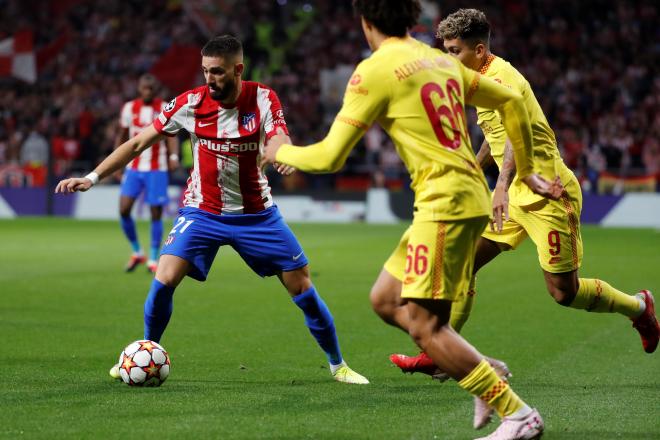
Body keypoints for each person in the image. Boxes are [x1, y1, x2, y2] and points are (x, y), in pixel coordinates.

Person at [263, 1, 564, 438]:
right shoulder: (439, 59)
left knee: (425, 326)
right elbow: (511, 99)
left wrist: (279, 152)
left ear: (366, 23)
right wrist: (530, 167)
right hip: (452, 198)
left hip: (447, 202)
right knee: (385, 299)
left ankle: (516, 414)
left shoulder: (375, 70)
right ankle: (474, 366)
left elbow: (329, 157)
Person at [383, 6, 660, 430]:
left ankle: (639, 307)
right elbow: (492, 135)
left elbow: (517, 136)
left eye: (454, 51)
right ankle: (438, 351)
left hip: (548, 193)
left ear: (479, 49)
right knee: (461, 262)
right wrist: (477, 165)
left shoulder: (505, 79)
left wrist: (497, 185)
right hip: (511, 196)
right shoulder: (474, 78)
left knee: (563, 293)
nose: (447, 58)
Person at [55, 35, 368, 385]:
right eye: (205, 71)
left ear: (238, 69)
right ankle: (144, 354)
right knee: (164, 278)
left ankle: (338, 365)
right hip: (201, 212)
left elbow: (279, 135)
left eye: (217, 72)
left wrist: (283, 154)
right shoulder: (189, 104)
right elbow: (138, 142)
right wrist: (93, 177)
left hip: (257, 216)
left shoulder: (263, 97)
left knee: (303, 288)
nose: (209, 79)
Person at [115, 74, 180, 274]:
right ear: (139, 88)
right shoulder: (128, 108)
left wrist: (174, 156)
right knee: (124, 209)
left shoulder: (165, 106)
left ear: (155, 90)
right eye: (144, 88)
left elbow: (171, 135)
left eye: (151, 89)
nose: (147, 92)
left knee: (155, 213)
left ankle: (153, 258)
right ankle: (137, 251)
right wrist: (117, 162)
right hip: (134, 167)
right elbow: (122, 136)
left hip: (156, 167)